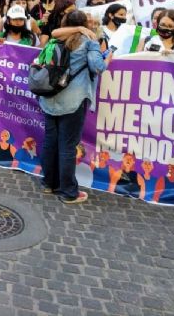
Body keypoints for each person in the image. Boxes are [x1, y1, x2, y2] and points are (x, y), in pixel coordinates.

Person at [39, 10, 110, 204]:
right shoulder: (89, 41)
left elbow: (52, 36)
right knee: (68, 146)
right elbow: (97, 67)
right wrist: (108, 58)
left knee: (51, 142)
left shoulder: (57, 39)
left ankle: (48, 183)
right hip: (74, 100)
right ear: (85, 25)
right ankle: (69, 192)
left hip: (50, 97)